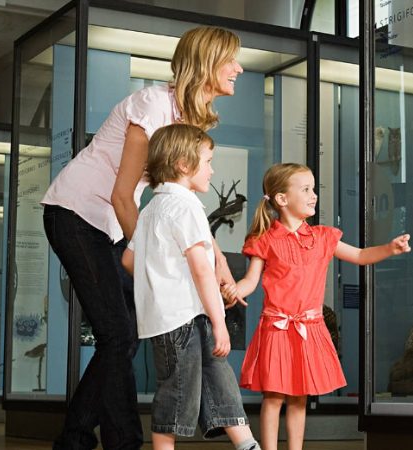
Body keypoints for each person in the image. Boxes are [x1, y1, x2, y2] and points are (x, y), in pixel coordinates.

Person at [41, 26, 244, 450]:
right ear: (206, 63)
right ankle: (95, 442)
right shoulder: (153, 104)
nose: (238, 69)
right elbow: (121, 195)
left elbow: (181, 204)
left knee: (124, 336)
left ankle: (97, 440)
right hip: (77, 213)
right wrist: (156, 262)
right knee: (118, 335)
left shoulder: (190, 121)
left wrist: (219, 265)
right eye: (231, 60)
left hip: (112, 223)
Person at [221, 163, 411, 450]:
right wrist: (234, 291)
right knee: (273, 397)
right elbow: (250, 281)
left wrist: (389, 248)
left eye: (313, 189)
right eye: (306, 189)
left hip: (310, 328)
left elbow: (359, 255)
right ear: (282, 199)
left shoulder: (323, 237)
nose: (313, 195)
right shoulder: (266, 240)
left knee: (299, 397)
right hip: (276, 328)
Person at [121, 124, 259, 450]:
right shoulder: (187, 206)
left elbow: (129, 261)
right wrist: (222, 323)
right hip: (182, 318)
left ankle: (248, 445)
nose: (212, 169)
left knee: (217, 377)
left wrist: (161, 279)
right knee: (177, 391)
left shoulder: (153, 207)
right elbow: (201, 269)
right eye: (208, 161)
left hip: (180, 316)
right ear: (184, 165)